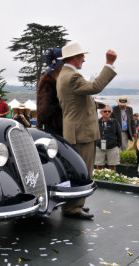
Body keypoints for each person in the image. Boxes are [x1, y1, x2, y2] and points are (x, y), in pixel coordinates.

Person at [57, 43, 117, 220]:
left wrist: (93, 104)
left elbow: (75, 102)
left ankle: (74, 205)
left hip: (75, 130)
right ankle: (73, 208)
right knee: (82, 171)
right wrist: (109, 64)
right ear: (75, 58)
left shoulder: (64, 75)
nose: (84, 59)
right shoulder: (73, 77)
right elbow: (95, 87)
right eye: (82, 56)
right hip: (81, 133)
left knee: (77, 171)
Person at [36, 48, 64, 136]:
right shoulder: (47, 82)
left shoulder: (58, 80)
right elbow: (44, 110)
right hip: (52, 129)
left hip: (60, 127)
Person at [95, 106, 122, 171]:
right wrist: (96, 143)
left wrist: (118, 145)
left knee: (112, 166)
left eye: (109, 111)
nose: (107, 113)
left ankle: (112, 179)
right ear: (101, 113)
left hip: (112, 147)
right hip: (99, 147)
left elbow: (119, 134)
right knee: (99, 166)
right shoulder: (97, 122)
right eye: (105, 111)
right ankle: (99, 179)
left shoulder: (115, 122)